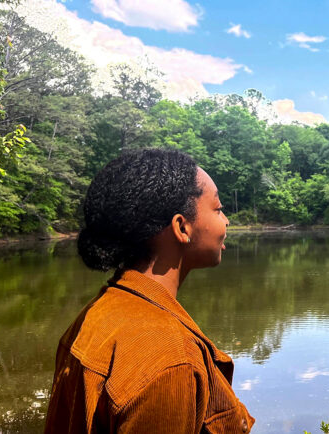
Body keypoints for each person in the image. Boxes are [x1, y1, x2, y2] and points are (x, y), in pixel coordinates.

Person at [44, 149, 254, 433]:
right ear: (182, 227)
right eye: (217, 209)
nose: (226, 220)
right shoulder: (171, 360)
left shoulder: (97, 313)